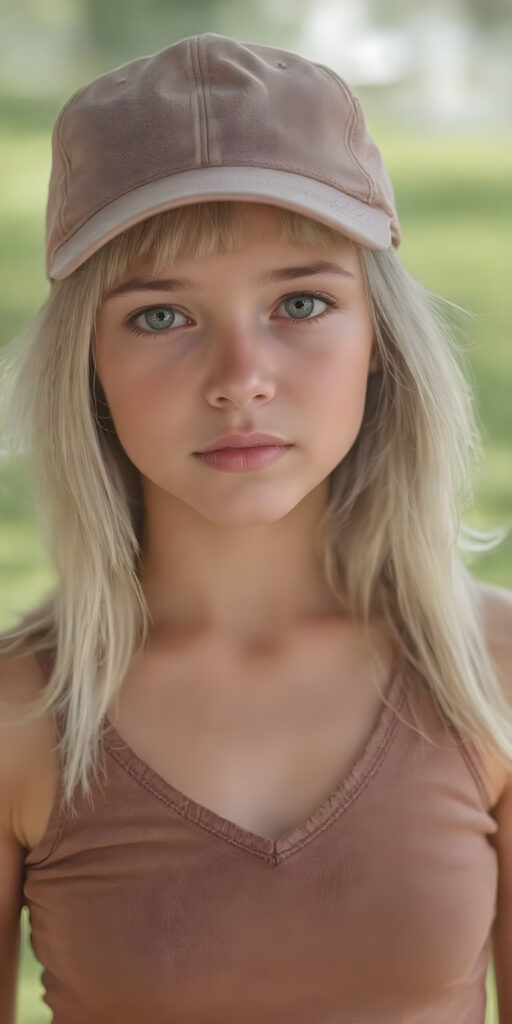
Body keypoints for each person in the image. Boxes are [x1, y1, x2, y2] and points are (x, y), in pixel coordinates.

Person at [0, 31, 511, 1024]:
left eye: (301, 301)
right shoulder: (23, 713)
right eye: (160, 316)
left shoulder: (488, 676)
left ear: (378, 343)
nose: (241, 375)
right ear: (88, 367)